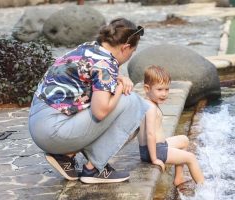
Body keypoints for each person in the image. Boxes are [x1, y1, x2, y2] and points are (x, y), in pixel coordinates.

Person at [28, 18, 149, 184]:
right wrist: (121, 87)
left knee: (107, 99)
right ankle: (93, 169)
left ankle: (66, 156)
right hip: (53, 131)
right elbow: (100, 112)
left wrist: (118, 77)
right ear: (125, 48)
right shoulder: (105, 64)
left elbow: (93, 73)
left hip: (39, 122)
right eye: (132, 52)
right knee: (133, 103)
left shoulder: (89, 48)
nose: (130, 56)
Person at [138, 65, 205, 187]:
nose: (164, 94)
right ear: (147, 88)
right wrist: (154, 159)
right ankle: (206, 191)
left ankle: (178, 178)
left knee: (184, 140)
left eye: (166, 89)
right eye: (159, 90)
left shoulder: (145, 102)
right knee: (191, 158)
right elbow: (150, 134)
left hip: (156, 147)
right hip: (155, 151)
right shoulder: (151, 108)